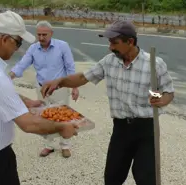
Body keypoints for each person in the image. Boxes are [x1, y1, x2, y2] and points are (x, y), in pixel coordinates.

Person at [40, 20, 175, 185]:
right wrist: (59, 81)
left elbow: (168, 92)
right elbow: (83, 77)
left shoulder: (154, 64)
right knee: (112, 177)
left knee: (146, 179)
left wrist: (160, 99)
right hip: (121, 129)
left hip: (146, 130)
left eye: (114, 43)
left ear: (130, 42)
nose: (110, 47)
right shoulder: (109, 62)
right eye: (109, 42)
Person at [0, 10, 78, 185]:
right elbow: (28, 124)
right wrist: (62, 126)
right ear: (5, 39)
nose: (19, 49)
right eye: (18, 42)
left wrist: (27, 102)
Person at [9, 20, 79, 158]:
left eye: (44, 35)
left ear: (51, 33)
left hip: (60, 88)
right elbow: (22, 64)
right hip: (41, 89)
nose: (41, 38)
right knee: (45, 116)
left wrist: (74, 86)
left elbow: (70, 67)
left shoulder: (62, 46)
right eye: (39, 35)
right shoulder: (33, 48)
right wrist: (10, 75)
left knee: (63, 117)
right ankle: (49, 145)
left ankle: (65, 145)